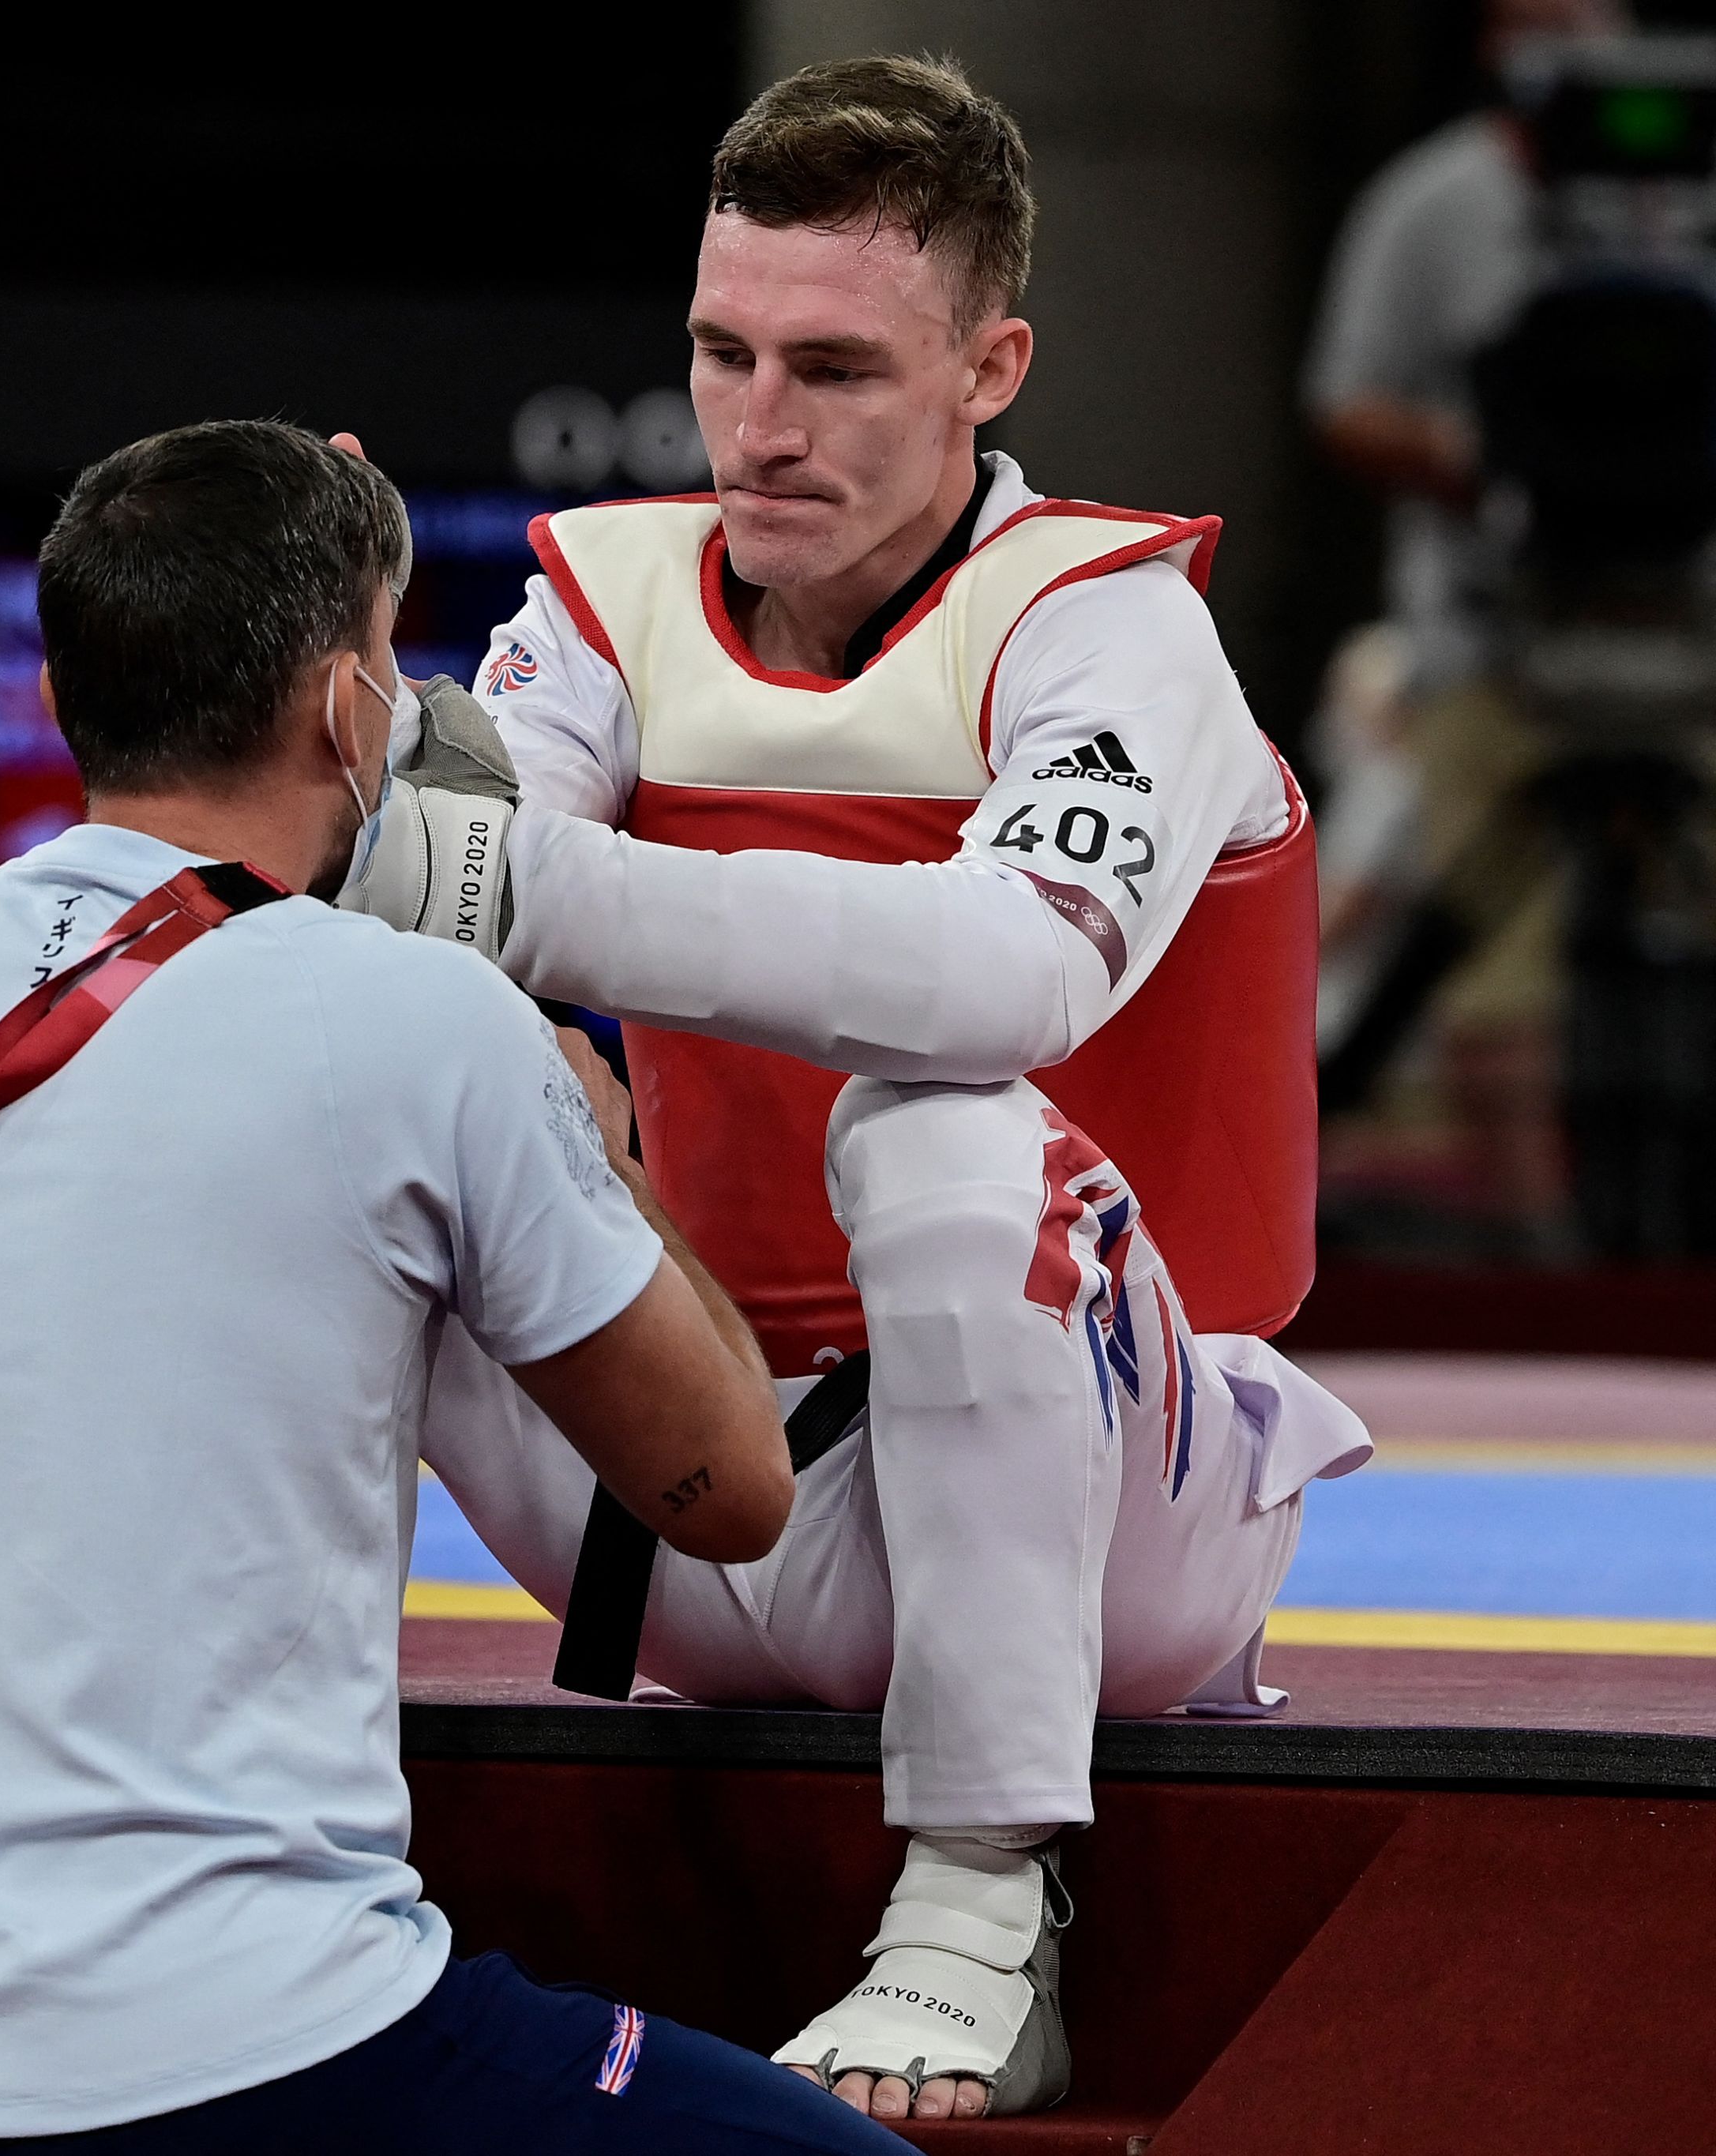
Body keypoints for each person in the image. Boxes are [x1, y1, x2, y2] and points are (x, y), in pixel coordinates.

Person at [0, 420, 894, 2152]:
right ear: (343, 710)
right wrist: (601, 1158)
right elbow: (730, 1491)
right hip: (267, 2047)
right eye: (393, 661)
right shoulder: (427, 1023)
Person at [344, 58, 1373, 2124]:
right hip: (699, 1490)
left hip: (1111, 1536)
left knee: (944, 1116)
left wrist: (514, 891)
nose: (762, 425)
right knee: (368, 1113)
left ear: (991, 366)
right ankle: (256, 1829)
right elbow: (429, 912)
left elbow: (997, 973)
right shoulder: (606, 597)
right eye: (723, 354)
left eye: (833, 365)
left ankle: (985, 1913)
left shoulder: (1112, 632)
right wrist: (478, 971)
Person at [1299, 0, 1625, 1248]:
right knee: (1494, 972)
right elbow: (1345, 403)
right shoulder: (1433, 204)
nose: (1579, 35)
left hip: (1691, 642)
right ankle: (1547, 1273)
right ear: (1493, 36)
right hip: (1494, 648)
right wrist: (1494, 458)